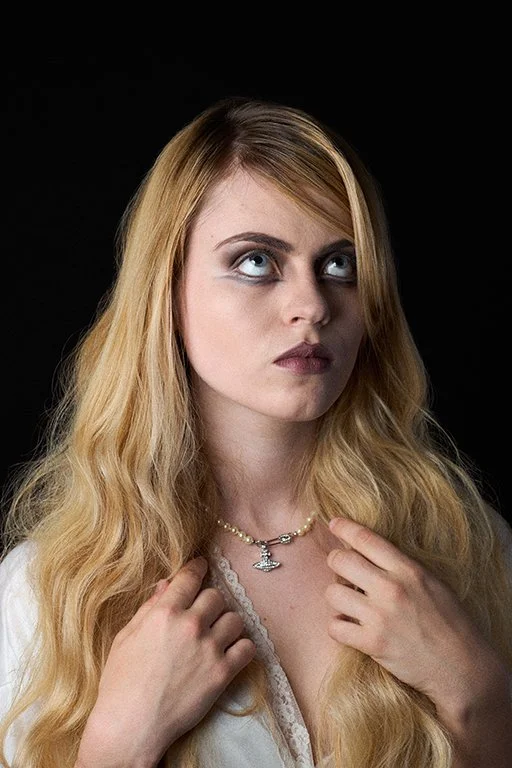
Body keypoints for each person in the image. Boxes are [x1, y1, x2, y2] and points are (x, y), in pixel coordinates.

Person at [0, 96, 511, 768]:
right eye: (255, 262)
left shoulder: (466, 548)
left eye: (339, 266)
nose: (312, 306)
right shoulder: (50, 590)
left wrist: (481, 699)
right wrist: (118, 747)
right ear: (167, 289)